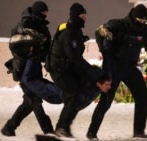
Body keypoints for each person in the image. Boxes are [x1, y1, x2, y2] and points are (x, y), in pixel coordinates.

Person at [86, 4, 147, 140]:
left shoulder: (144, 29)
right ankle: (92, 132)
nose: (141, 22)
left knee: (142, 97)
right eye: (139, 20)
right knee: (106, 101)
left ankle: (139, 132)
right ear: (133, 17)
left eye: (144, 20)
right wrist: (104, 50)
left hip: (130, 67)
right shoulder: (118, 24)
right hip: (114, 67)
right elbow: (99, 31)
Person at [47, 3, 106, 139]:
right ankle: (62, 128)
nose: (84, 18)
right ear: (75, 16)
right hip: (59, 70)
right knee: (72, 96)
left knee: (77, 94)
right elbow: (74, 57)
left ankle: (63, 127)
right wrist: (90, 70)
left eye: (85, 15)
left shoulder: (75, 31)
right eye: (81, 15)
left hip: (67, 68)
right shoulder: (69, 33)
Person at [1, 1, 54, 136]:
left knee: (29, 102)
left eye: (46, 13)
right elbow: (16, 46)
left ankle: (9, 127)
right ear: (37, 12)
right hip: (24, 69)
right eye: (43, 12)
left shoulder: (42, 27)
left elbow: (45, 48)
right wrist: (31, 50)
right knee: (35, 100)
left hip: (34, 68)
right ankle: (48, 131)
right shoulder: (24, 25)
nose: (45, 15)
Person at [21, 55, 111, 110]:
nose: (109, 87)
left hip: (60, 96)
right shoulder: (90, 83)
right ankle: (32, 57)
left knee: (36, 91)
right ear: (99, 83)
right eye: (107, 84)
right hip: (59, 92)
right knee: (29, 80)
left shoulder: (97, 87)